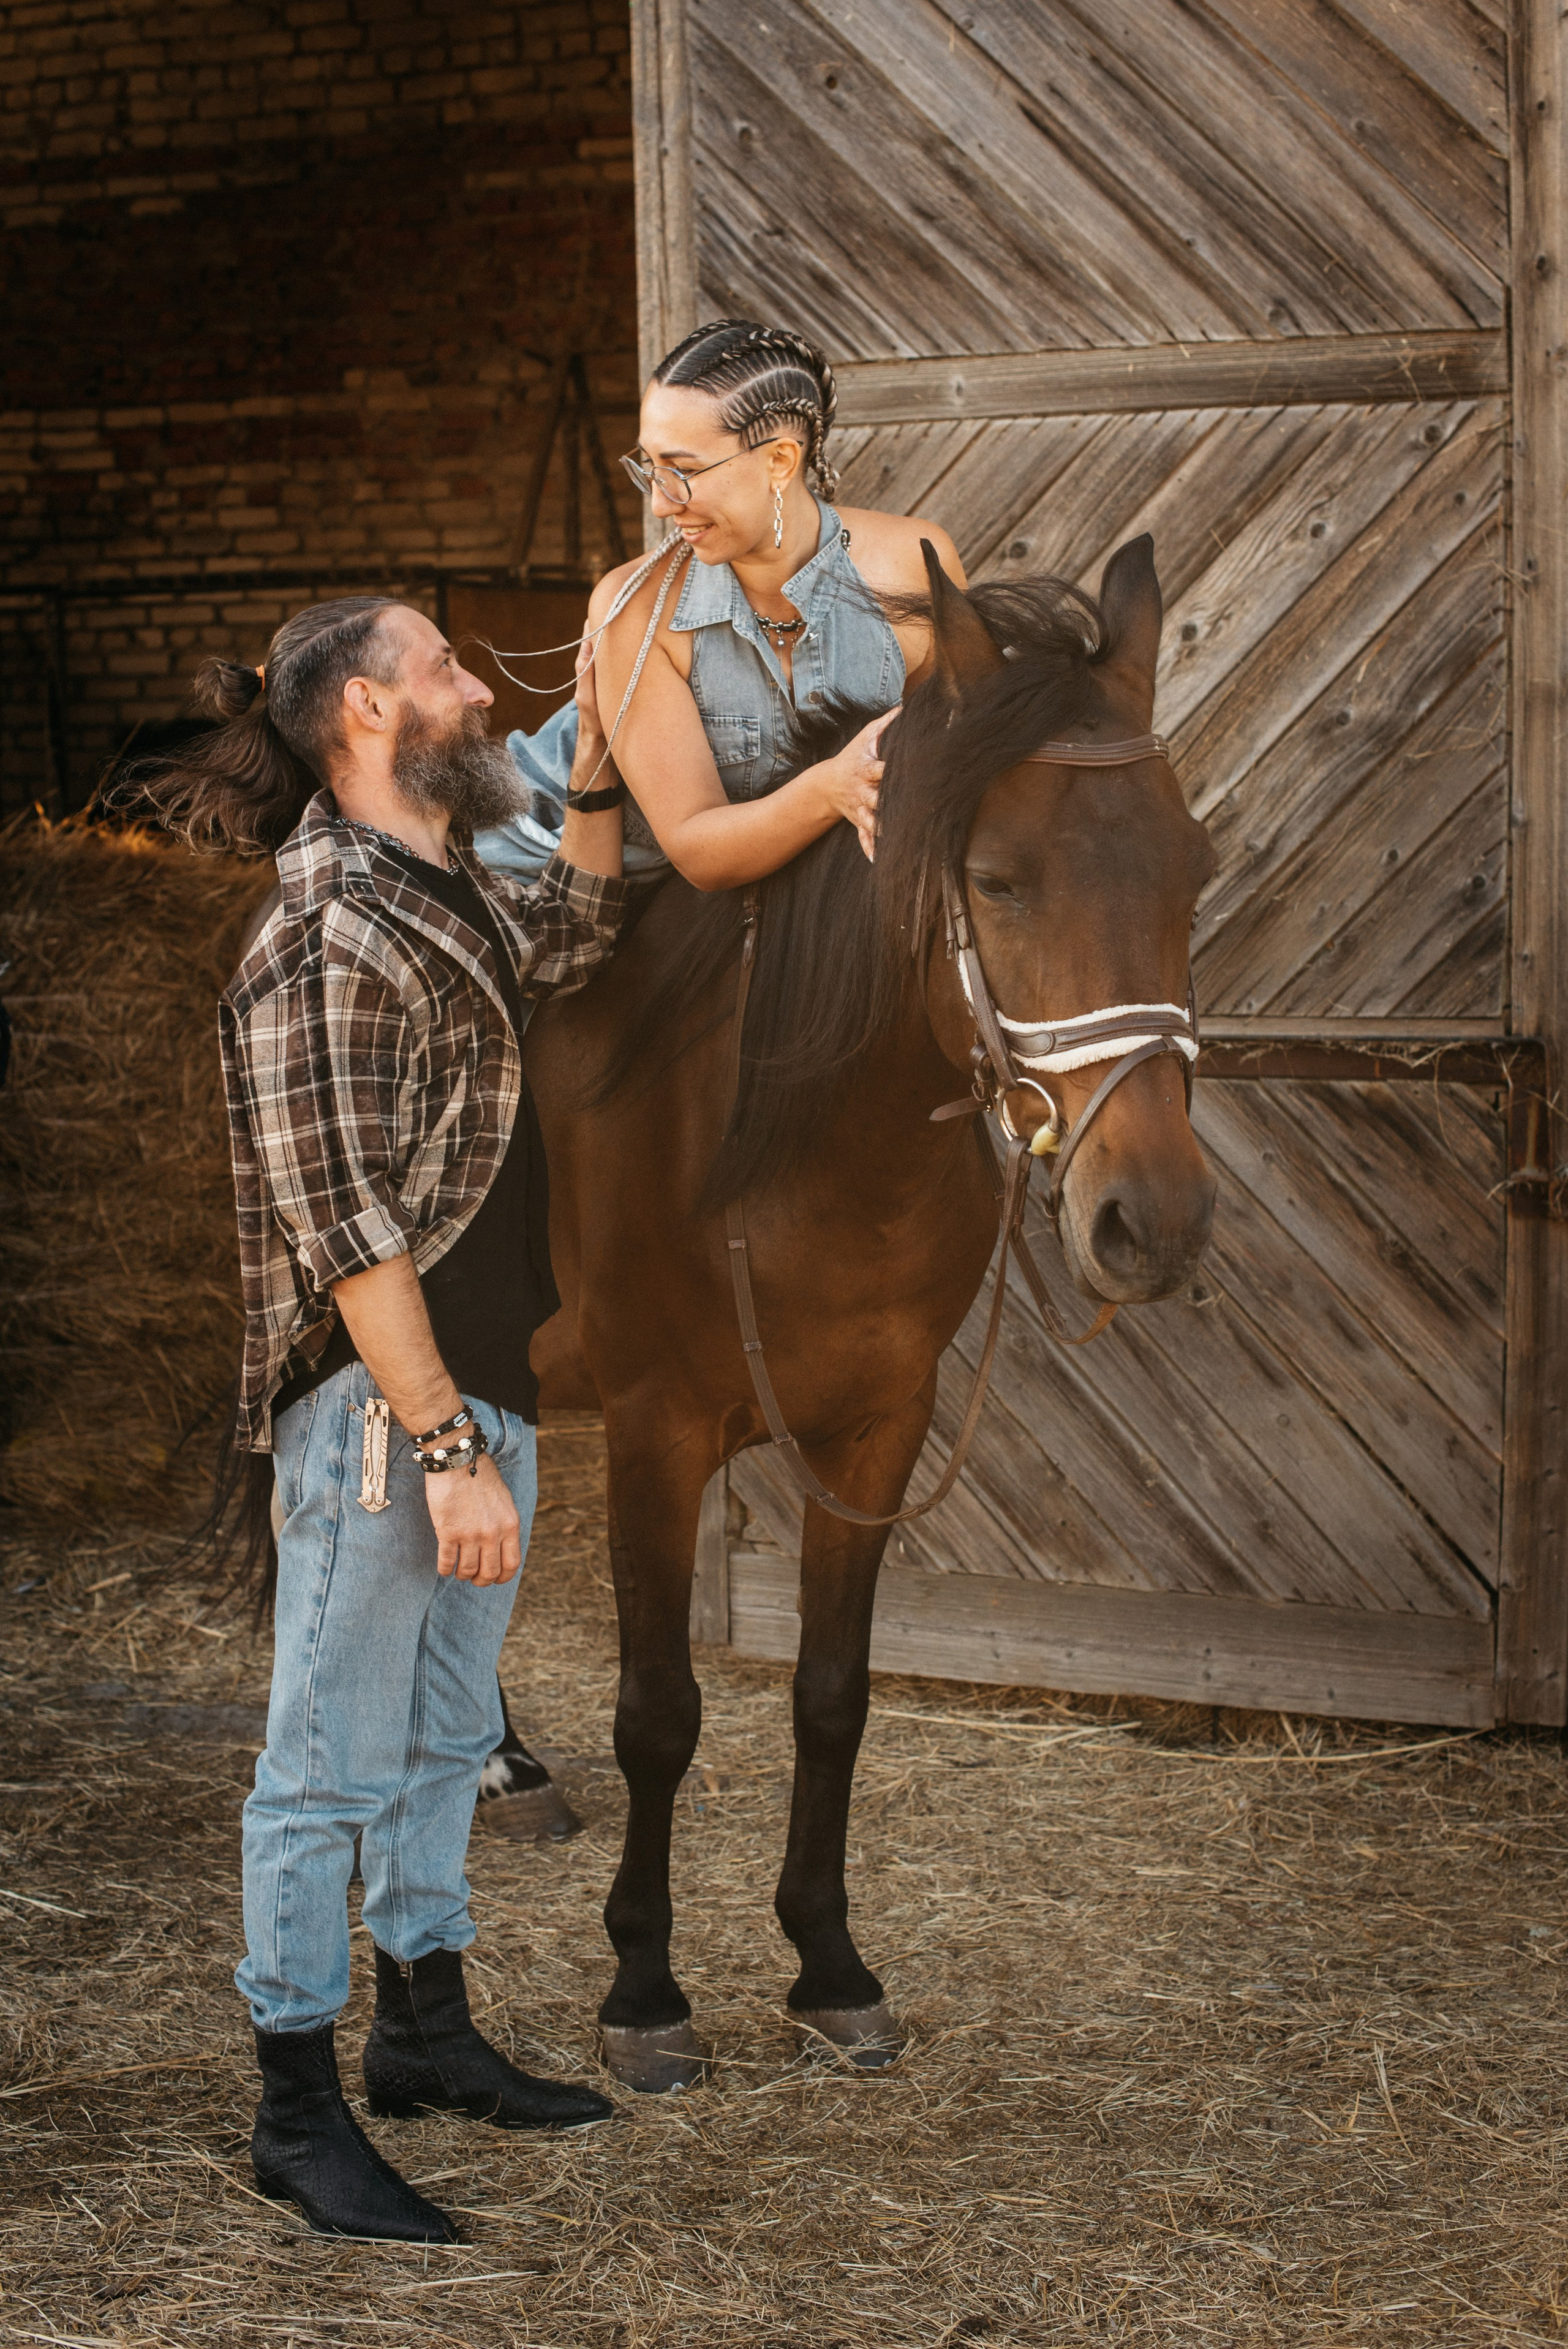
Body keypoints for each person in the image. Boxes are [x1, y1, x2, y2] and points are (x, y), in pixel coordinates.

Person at [139, 596, 628, 2244]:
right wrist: (440, 1443)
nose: (481, 691)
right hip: (382, 1408)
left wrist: (618, 757)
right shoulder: (321, 933)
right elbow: (346, 1225)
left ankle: (424, 2033)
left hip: (487, 1376)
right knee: (323, 1765)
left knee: (443, 1736)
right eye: (445, 669)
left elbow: (570, 934)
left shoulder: (446, 884)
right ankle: (295, 2107)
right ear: (366, 708)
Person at [475, 317, 965, 892]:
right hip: (541, 859)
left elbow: (954, 746)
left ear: (780, 461)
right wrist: (832, 787)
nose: (659, 503)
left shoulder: (915, 565)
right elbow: (698, 849)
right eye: (649, 468)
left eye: (682, 471)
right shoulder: (636, 607)